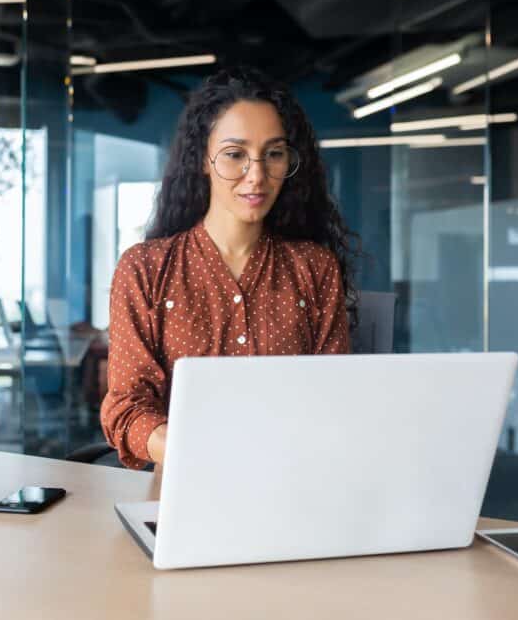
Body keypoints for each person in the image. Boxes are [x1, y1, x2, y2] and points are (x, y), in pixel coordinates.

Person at [100, 66, 358, 468]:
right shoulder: (145, 269)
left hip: (294, 485)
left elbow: (336, 399)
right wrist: (199, 452)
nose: (256, 176)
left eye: (273, 154)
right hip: (183, 492)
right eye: (235, 155)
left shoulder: (315, 268)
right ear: (202, 159)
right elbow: (126, 407)